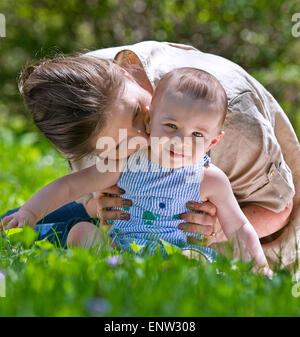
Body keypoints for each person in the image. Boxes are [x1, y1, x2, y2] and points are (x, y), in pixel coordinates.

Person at [0, 41, 298, 269]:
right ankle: (113, 268)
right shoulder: (81, 117)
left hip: (239, 231)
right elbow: (70, 187)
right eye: (119, 144)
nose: (145, 138)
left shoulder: (220, 115)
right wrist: (90, 207)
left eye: (135, 114)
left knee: (190, 259)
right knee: (57, 230)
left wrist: (219, 232)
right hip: (125, 241)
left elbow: (273, 213)